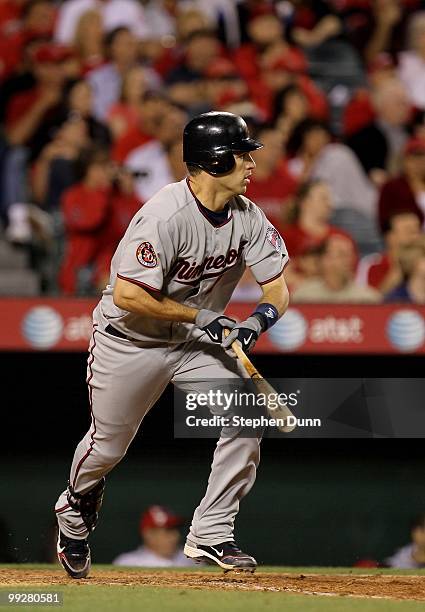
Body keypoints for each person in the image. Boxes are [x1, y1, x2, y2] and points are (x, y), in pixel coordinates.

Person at [54, 111, 290, 578]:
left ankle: (212, 533)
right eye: (242, 155)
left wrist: (255, 324)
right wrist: (200, 314)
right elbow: (128, 294)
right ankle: (75, 508)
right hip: (129, 341)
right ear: (214, 160)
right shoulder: (165, 214)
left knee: (246, 417)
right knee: (108, 447)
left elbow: (278, 288)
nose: (251, 164)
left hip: (193, 345)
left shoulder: (248, 215)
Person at [292, 234, 381, 304]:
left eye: (351, 255)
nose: (349, 260)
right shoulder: (303, 296)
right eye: (342, 254)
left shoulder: (367, 299)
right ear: (325, 259)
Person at [113, 505, 194, 567]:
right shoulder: (128, 563)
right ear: (148, 534)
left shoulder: (191, 560)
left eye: (175, 530)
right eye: (167, 531)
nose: (175, 536)